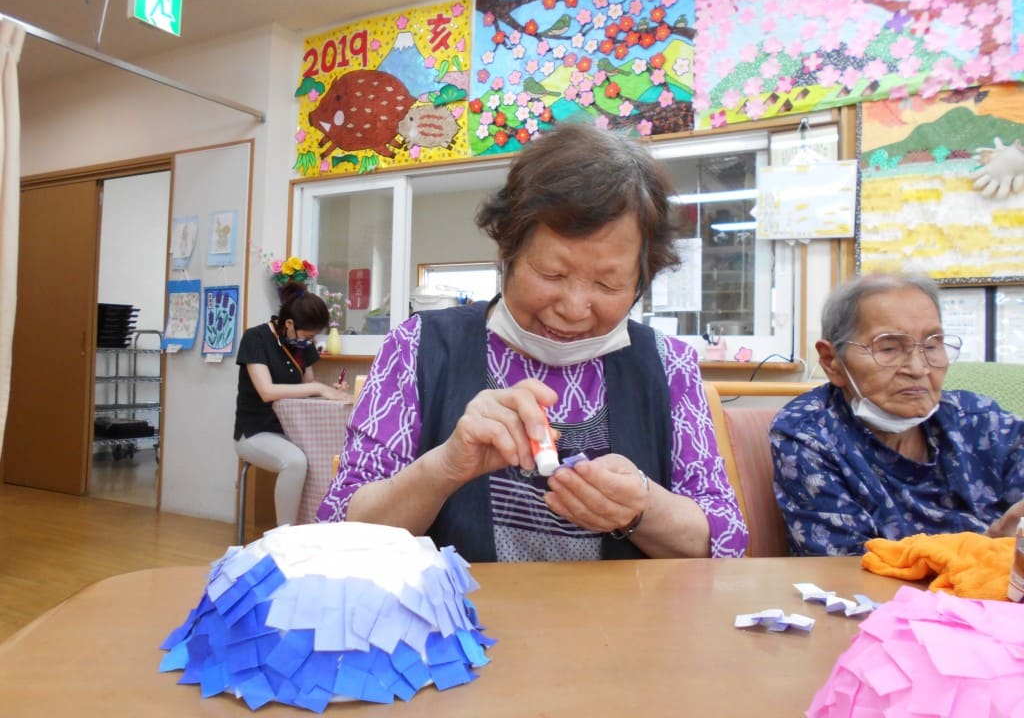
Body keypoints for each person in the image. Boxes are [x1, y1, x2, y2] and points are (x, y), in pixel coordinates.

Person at [317, 122, 748, 561]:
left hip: (627, 627)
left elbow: (725, 542)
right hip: (456, 624)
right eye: (552, 275)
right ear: (505, 254)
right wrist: (444, 467)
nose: (575, 307)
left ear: (641, 278)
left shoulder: (669, 365)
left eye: (609, 283)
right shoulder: (418, 346)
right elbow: (338, 529)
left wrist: (641, 507)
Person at [771, 273, 1024, 556]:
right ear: (832, 361)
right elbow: (842, 569)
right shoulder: (810, 433)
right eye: (889, 348)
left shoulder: (980, 420)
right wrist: (985, 553)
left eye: (931, 345)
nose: (918, 368)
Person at [234, 281, 347, 527]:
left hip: (291, 431)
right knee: (295, 462)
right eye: (307, 336)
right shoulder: (256, 338)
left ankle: (315, 527)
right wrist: (319, 388)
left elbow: (305, 392)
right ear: (288, 324)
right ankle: (284, 535)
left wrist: (329, 390)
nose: (310, 341)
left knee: (326, 459)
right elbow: (266, 391)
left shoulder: (302, 346)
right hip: (255, 432)